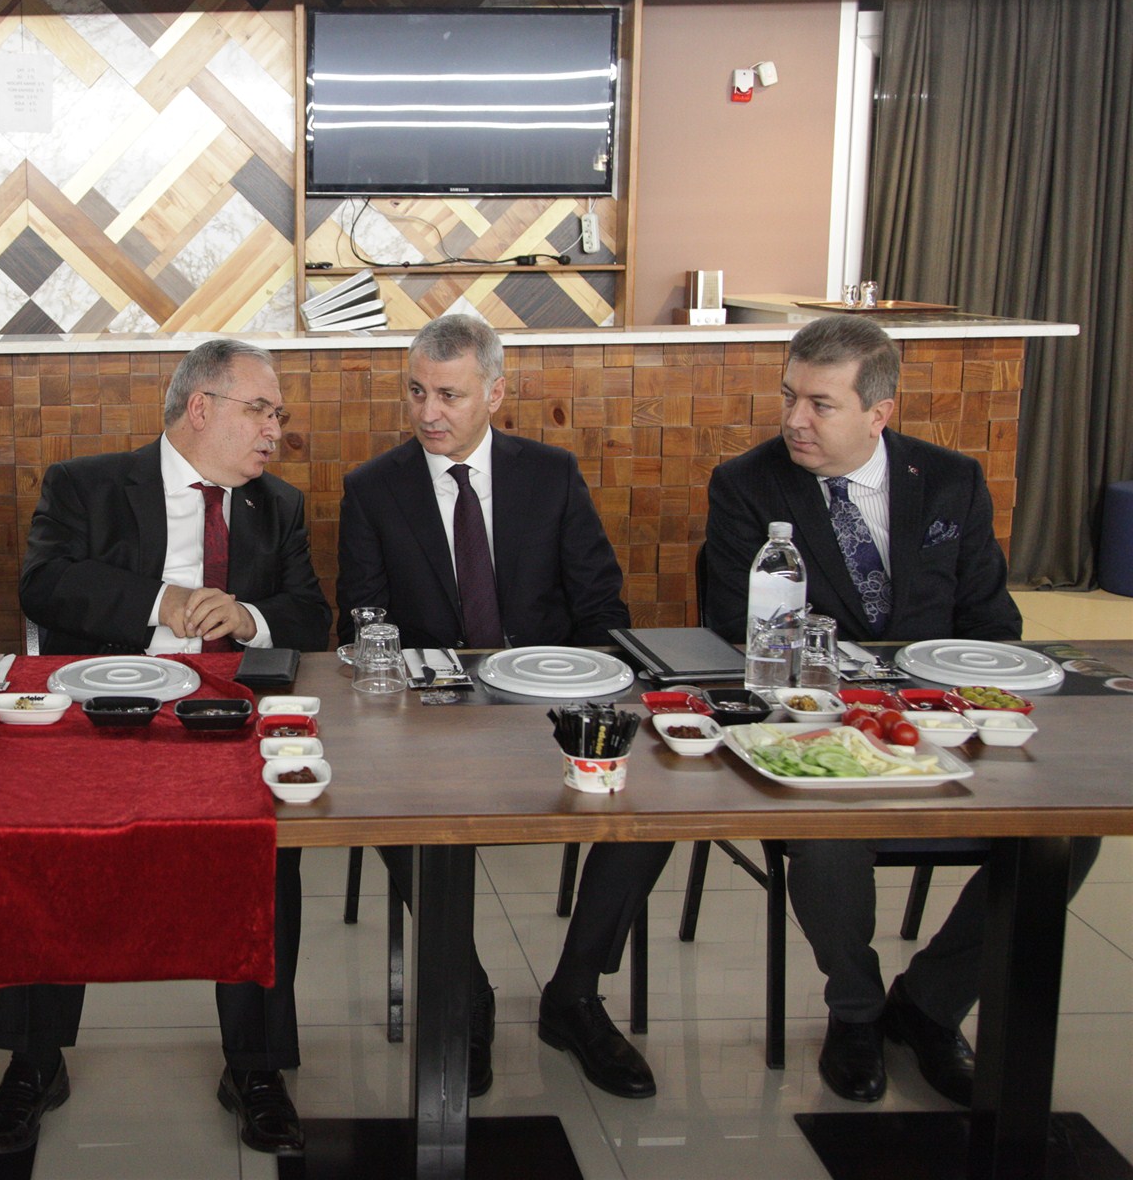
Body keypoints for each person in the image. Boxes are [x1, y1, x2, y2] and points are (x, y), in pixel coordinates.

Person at [700, 315, 1100, 1106]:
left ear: (878, 413)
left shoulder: (950, 480)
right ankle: (855, 1011)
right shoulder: (748, 484)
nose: (794, 420)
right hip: (818, 728)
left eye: (820, 404)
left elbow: (993, 625)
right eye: (789, 396)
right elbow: (734, 634)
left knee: (1069, 833)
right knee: (831, 842)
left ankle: (930, 1005)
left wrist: (962, 711)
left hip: (940, 722)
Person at [0, 338, 330, 1157]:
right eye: (260, 410)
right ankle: (34, 1064)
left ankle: (256, 1067)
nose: (275, 430)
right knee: (39, 847)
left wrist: (249, 618)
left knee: (262, 855)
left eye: (278, 414)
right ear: (200, 408)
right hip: (97, 714)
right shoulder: (87, 485)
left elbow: (312, 616)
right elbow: (44, 585)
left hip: (223, 720)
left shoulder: (277, 505)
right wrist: (158, 602)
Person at [337, 314, 662, 1100]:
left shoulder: (550, 475)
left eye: (448, 394)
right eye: (416, 391)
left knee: (652, 807)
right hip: (429, 717)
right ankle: (467, 991)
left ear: (494, 393)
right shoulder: (373, 489)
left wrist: (602, 698)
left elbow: (601, 609)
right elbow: (362, 624)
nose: (428, 412)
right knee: (393, 809)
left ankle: (574, 996)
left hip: (547, 705)